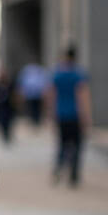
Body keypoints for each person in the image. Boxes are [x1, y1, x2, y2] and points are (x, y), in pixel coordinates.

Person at [45, 44, 91, 186]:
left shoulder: (57, 74)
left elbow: (51, 95)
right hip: (75, 116)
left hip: (61, 115)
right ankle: (74, 175)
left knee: (62, 144)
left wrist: (51, 115)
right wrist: (86, 117)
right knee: (77, 145)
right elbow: (82, 97)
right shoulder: (79, 74)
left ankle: (58, 169)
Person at [17, 61, 49, 126]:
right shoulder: (28, 72)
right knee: (32, 108)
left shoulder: (39, 72)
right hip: (31, 95)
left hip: (36, 95)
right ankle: (33, 120)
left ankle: (36, 120)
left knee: (36, 108)